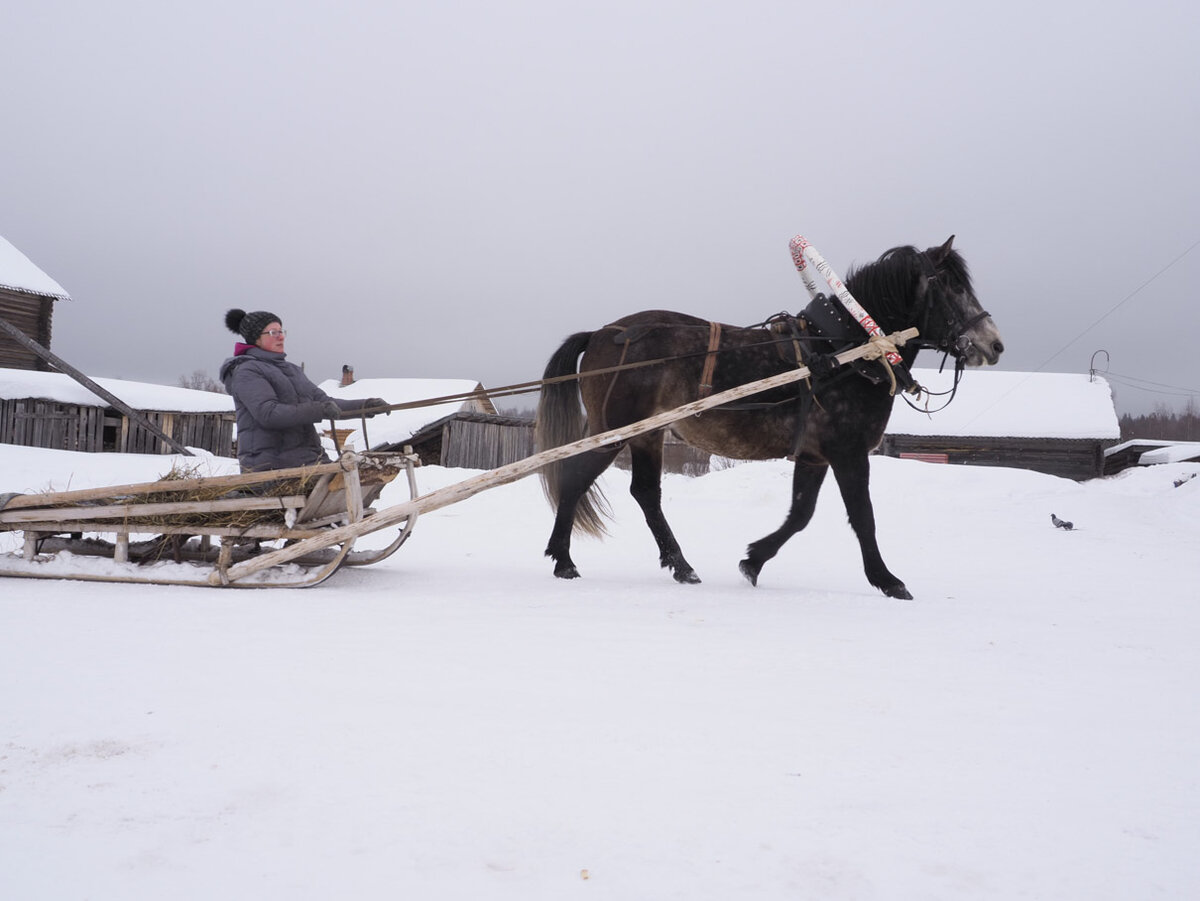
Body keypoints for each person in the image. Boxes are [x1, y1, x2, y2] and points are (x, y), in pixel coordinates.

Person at [219, 309, 387, 472]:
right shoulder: (247, 371)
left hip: (309, 462)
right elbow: (269, 414)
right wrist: (319, 410)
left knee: (362, 477)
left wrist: (366, 407)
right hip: (271, 466)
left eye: (281, 331)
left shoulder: (292, 370)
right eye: (272, 333)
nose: (281, 336)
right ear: (255, 339)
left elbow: (326, 403)